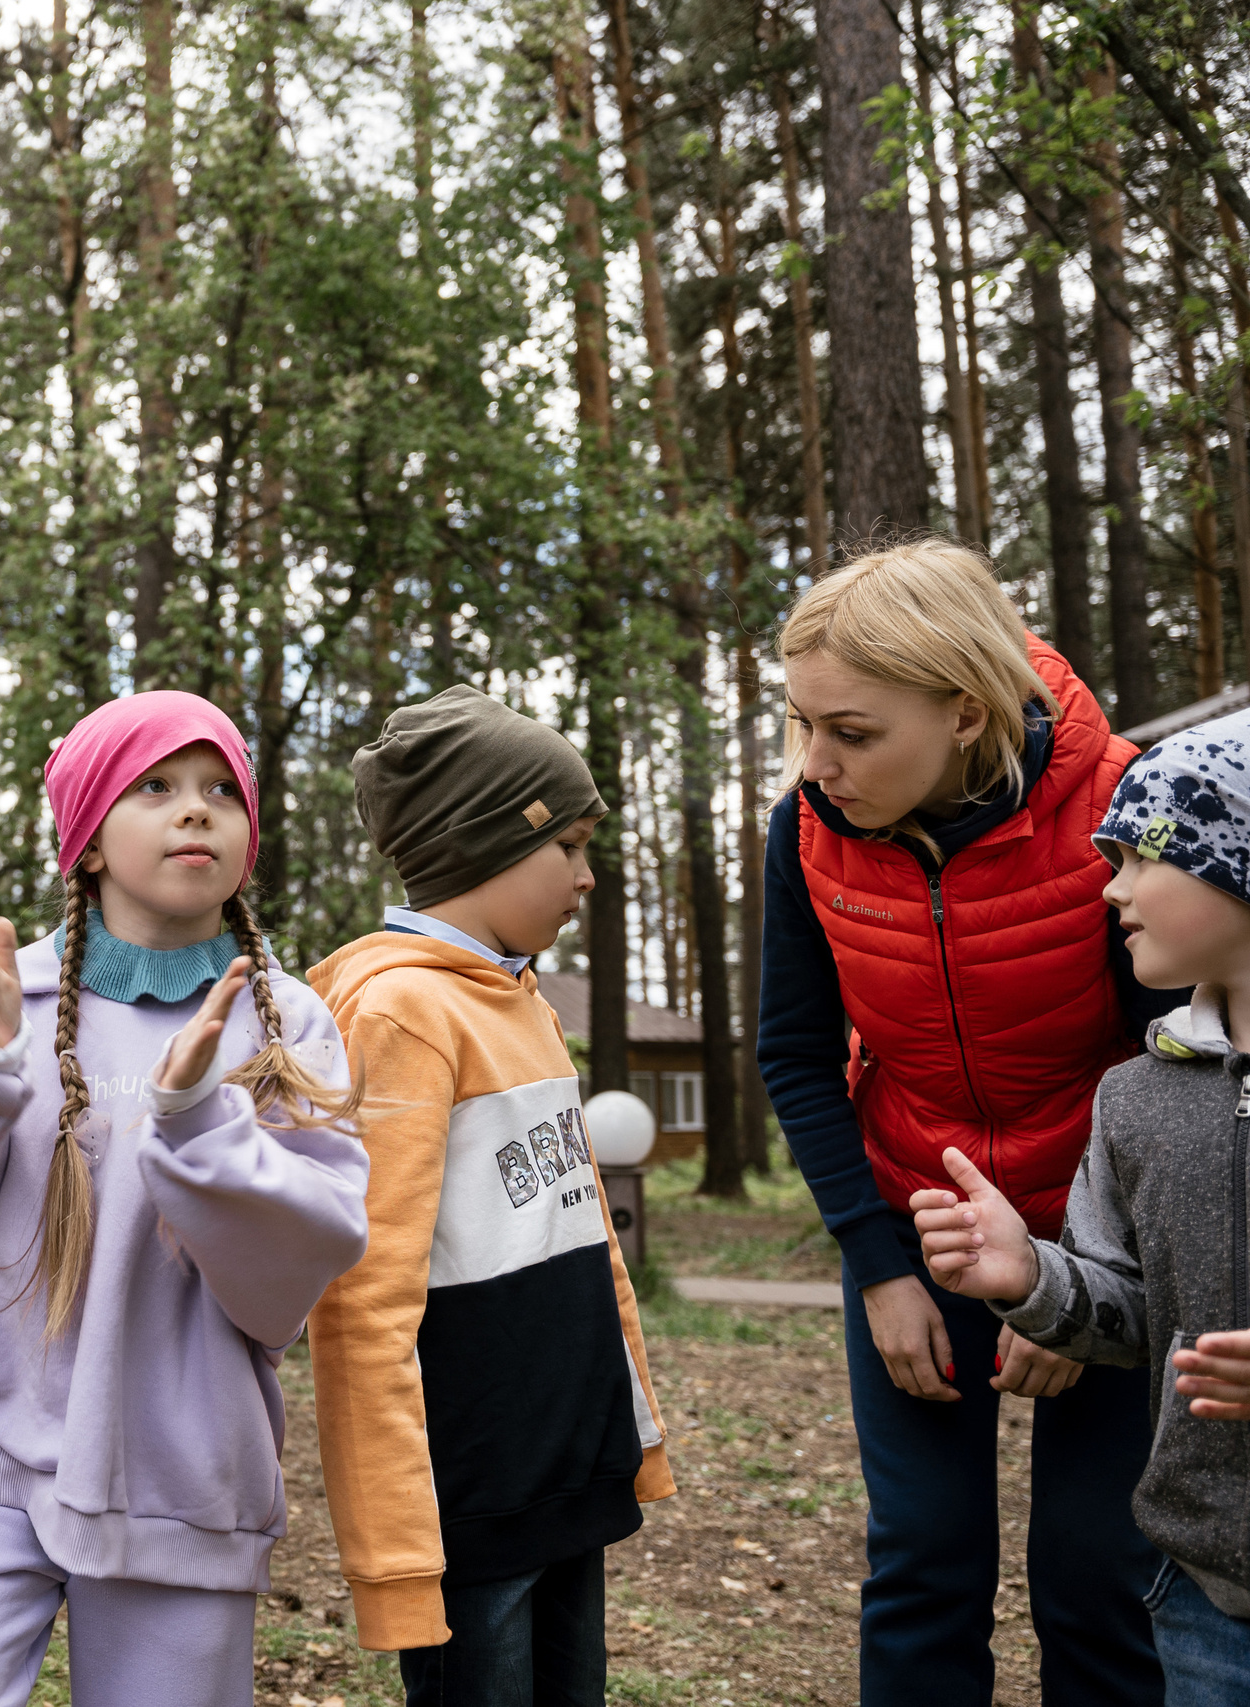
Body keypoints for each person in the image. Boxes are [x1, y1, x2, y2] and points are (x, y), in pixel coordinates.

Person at [0, 690, 370, 1707]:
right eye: (155, 786)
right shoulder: (9, 996)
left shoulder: (289, 1020)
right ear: (85, 841)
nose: (196, 810)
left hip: (182, 1479)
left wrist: (194, 1119)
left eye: (222, 790)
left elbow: (295, 1269)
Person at [755, 539, 1169, 1704]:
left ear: (967, 713)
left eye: (852, 732)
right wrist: (876, 1265)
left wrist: (1076, 1279)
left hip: (1108, 1251)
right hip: (915, 1234)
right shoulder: (802, 832)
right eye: (803, 723)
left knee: (1099, 1578)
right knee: (923, 1566)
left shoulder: (1126, 807)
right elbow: (792, 1051)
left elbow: (1170, 1064)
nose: (816, 763)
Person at [303, 686, 671, 1703]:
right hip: (472, 1486)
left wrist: (626, 1424)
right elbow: (365, 1295)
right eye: (572, 847)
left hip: (567, 1461)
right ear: (487, 844)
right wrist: (393, 1543)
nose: (587, 878)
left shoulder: (521, 1001)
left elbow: (587, 1239)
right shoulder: (402, 1014)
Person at [911, 708, 1250, 1706]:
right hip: (1201, 1595)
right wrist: (1030, 1276)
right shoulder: (1134, 1099)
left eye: (1142, 857)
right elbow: (1134, 1314)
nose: (1110, 888)